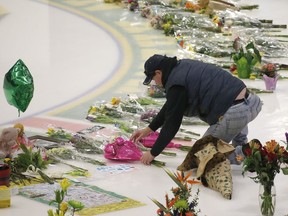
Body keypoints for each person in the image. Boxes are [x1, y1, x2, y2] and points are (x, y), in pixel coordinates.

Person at [130, 54, 262, 165]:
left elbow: (172, 123)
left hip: (235, 113)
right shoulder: (181, 66)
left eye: (153, 78)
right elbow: (171, 106)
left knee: (201, 156)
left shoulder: (176, 84)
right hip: (250, 102)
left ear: (158, 72)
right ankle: (244, 150)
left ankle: (247, 154)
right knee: (230, 134)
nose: (155, 82)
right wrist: (149, 129)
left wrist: (153, 153)